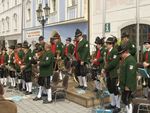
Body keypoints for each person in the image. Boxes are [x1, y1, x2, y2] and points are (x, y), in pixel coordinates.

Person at [118, 44, 137, 113]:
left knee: (128, 100)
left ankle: (130, 111)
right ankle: (127, 110)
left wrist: (128, 86)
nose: (120, 55)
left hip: (128, 85)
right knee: (124, 99)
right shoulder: (125, 59)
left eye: (121, 53)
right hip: (124, 84)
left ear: (125, 52)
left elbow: (130, 74)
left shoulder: (131, 60)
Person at [103, 37, 120, 113]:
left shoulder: (115, 51)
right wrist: (105, 68)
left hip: (114, 73)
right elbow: (106, 61)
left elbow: (113, 63)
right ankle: (113, 104)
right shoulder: (107, 51)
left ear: (111, 44)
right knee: (110, 89)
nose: (106, 45)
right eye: (106, 43)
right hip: (108, 73)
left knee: (115, 89)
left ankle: (118, 106)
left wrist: (105, 68)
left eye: (108, 43)